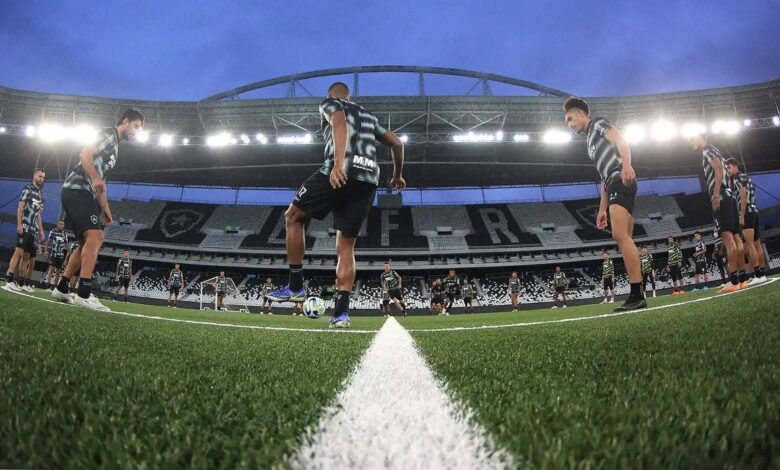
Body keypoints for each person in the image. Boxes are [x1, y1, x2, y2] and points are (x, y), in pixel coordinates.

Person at [266, 82, 405, 329]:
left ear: (329, 94)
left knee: (293, 216)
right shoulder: (369, 116)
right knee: (346, 246)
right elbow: (397, 143)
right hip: (369, 179)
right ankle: (341, 314)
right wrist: (396, 176)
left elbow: (339, 123)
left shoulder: (331, 103)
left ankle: (296, 286)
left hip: (341, 169)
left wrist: (339, 165)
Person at [52, 108, 144, 310]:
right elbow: (84, 153)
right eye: (136, 126)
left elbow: (101, 182)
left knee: (85, 242)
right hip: (77, 189)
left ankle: (62, 286)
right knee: (96, 237)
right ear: (125, 121)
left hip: (82, 193)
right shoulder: (109, 135)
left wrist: (106, 208)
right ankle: (84, 293)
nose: (137, 131)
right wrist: (94, 177)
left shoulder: (116, 146)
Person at [564, 98, 646, 311]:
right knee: (624, 239)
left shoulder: (598, 124)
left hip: (621, 178)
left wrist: (627, 165)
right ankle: (638, 294)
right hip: (612, 182)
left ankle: (637, 294)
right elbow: (603, 178)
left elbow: (622, 141)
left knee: (620, 236)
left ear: (582, 113)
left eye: (570, 119)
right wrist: (602, 209)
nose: (569, 125)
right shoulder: (590, 142)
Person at [688, 134, 746, 293]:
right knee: (735, 238)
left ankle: (733, 281)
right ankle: (741, 279)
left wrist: (715, 194)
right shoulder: (716, 150)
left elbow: (718, 170)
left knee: (728, 239)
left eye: (692, 138)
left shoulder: (707, 150)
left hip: (722, 196)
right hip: (729, 196)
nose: (690, 141)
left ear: (700, 137)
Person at [724, 158, 767, 284]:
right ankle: (762, 274)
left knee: (749, 244)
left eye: (729, 167)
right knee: (756, 243)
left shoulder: (737, 178)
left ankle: (758, 275)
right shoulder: (746, 177)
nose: (728, 170)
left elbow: (742, 196)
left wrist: (741, 215)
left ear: (735, 166)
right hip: (754, 210)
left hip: (747, 211)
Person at [4, 168, 45, 293]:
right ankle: (9, 279)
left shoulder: (39, 194)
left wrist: (41, 231)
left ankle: (21, 283)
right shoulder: (27, 189)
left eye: (43, 177)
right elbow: (20, 207)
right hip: (25, 226)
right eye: (40, 176)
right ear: (34, 176)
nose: (41, 179)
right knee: (18, 253)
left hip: (33, 230)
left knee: (26, 256)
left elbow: (38, 214)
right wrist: (19, 224)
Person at [44, 220, 69, 290]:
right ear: (58, 224)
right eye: (60, 224)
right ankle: (48, 285)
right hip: (53, 254)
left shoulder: (65, 234)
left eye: (62, 224)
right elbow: (48, 242)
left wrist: (67, 258)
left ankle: (54, 287)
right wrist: (45, 251)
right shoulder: (53, 231)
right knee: (51, 270)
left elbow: (67, 247)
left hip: (61, 256)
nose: (61, 225)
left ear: (64, 226)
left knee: (58, 271)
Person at [711, 221, 728, 285]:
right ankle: (724, 283)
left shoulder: (720, 227)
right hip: (717, 249)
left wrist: (721, 249)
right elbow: (715, 241)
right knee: (720, 267)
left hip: (722, 248)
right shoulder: (715, 229)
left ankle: (732, 281)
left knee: (725, 265)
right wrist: (713, 252)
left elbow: (723, 238)